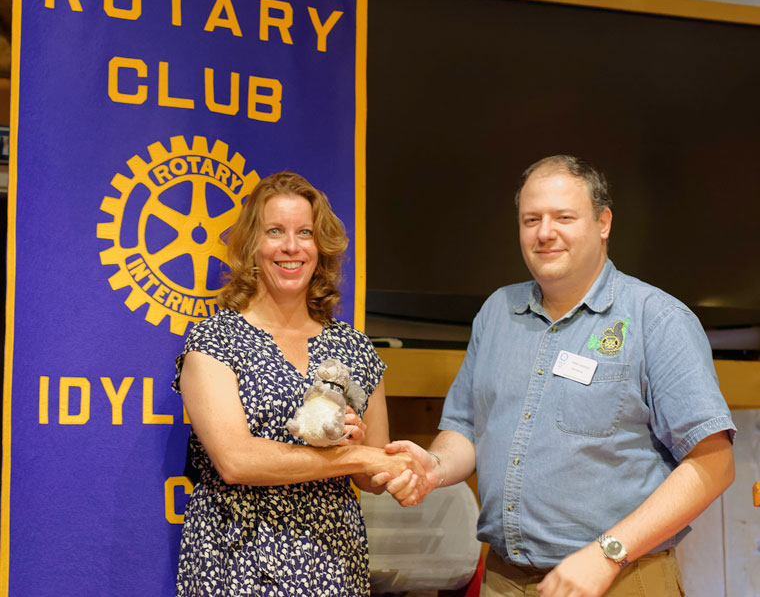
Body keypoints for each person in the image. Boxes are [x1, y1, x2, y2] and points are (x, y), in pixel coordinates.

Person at [376, 155, 736, 597]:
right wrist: (433, 467)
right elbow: (466, 428)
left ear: (603, 223)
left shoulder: (657, 319)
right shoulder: (496, 313)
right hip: (503, 579)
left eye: (564, 217)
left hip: (619, 577)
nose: (545, 233)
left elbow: (714, 465)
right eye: (531, 219)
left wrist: (606, 555)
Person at [172, 171, 423, 597]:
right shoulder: (214, 340)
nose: (291, 246)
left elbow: (372, 474)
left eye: (304, 233)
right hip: (235, 564)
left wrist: (400, 469)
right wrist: (357, 457)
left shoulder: (354, 346)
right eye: (275, 231)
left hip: (333, 565)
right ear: (252, 244)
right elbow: (237, 462)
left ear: (319, 247)